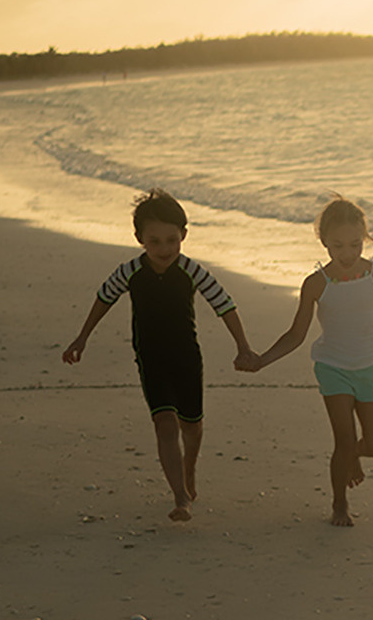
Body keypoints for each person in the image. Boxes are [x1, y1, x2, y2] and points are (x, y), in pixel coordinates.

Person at [59, 189, 253, 521]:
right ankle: (180, 497)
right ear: (140, 238)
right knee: (165, 425)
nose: (164, 249)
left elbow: (224, 304)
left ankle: (188, 474)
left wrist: (243, 347)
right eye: (155, 241)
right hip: (150, 359)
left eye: (171, 240)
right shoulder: (130, 271)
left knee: (192, 427)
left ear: (184, 236)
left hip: (187, 359)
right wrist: (82, 337)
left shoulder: (192, 271)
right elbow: (104, 299)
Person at [247, 195, 373, 526]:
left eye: (354, 244)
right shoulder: (317, 284)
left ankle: (353, 457)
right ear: (324, 243)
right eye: (338, 246)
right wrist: (263, 360)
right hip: (333, 368)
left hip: (371, 367)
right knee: (343, 439)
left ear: (365, 238)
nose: (347, 253)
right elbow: (296, 333)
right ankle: (339, 505)